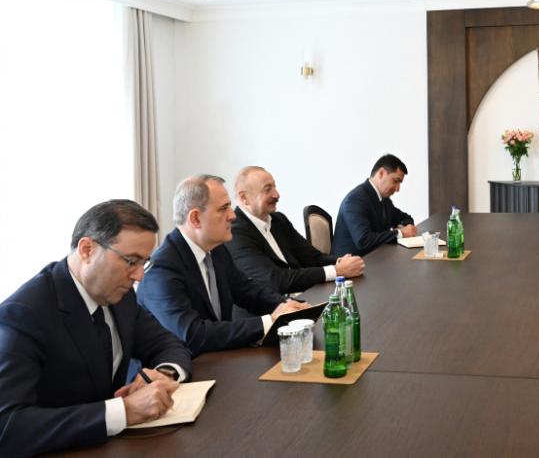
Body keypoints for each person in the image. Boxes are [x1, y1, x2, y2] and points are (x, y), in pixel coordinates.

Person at [0, 200, 191, 456]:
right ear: (87, 249)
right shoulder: (24, 314)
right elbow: (8, 427)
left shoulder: (121, 295)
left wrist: (163, 374)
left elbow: (167, 343)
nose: (139, 277)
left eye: (144, 263)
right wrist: (124, 411)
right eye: (130, 261)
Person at [137, 175, 308, 357]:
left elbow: (248, 291)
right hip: (183, 367)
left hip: (217, 357)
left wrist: (289, 307)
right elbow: (194, 334)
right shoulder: (162, 270)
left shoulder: (216, 249)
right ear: (195, 218)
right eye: (223, 208)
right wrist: (269, 321)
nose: (233, 215)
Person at [229, 166, 364, 294]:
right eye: (267, 189)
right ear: (244, 198)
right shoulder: (235, 233)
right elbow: (276, 280)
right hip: (273, 307)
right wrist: (337, 270)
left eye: (274, 187)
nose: (276, 194)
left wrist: (341, 262)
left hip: (304, 294)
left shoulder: (279, 220)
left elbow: (312, 257)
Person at [332, 154, 417, 256]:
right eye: (395, 181)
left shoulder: (384, 199)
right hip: (353, 262)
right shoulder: (355, 200)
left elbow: (405, 218)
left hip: (376, 258)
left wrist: (406, 227)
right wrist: (400, 233)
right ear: (381, 173)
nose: (398, 189)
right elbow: (364, 240)